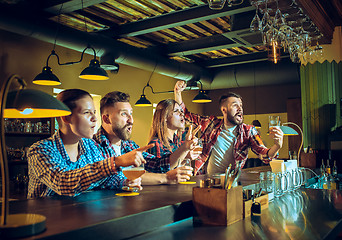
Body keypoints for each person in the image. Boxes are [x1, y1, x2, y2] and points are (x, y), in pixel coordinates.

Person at [27, 89, 145, 198]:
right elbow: (63, 183)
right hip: (46, 218)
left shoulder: (91, 146)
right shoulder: (40, 150)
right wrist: (116, 162)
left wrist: (126, 182)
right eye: (87, 112)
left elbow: (106, 179)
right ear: (66, 118)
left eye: (94, 112)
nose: (95, 118)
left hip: (80, 217)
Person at [174, 81, 284, 175]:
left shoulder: (248, 131)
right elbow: (186, 115)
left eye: (241, 106)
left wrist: (277, 146)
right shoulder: (210, 123)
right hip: (206, 180)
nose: (240, 109)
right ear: (224, 110)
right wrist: (177, 92)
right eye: (235, 105)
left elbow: (264, 154)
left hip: (231, 182)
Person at [93, 91, 194, 184]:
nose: (131, 120)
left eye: (131, 114)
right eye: (124, 114)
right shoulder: (93, 146)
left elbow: (157, 165)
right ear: (106, 119)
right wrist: (165, 178)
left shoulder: (129, 145)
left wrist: (185, 147)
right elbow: (113, 177)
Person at [146, 99, 201, 173]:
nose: (182, 114)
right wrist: (184, 152)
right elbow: (160, 173)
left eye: (181, 111)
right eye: (176, 111)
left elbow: (176, 168)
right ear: (164, 117)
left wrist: (185, 156)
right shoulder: (155, 143)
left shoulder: (177, 141)